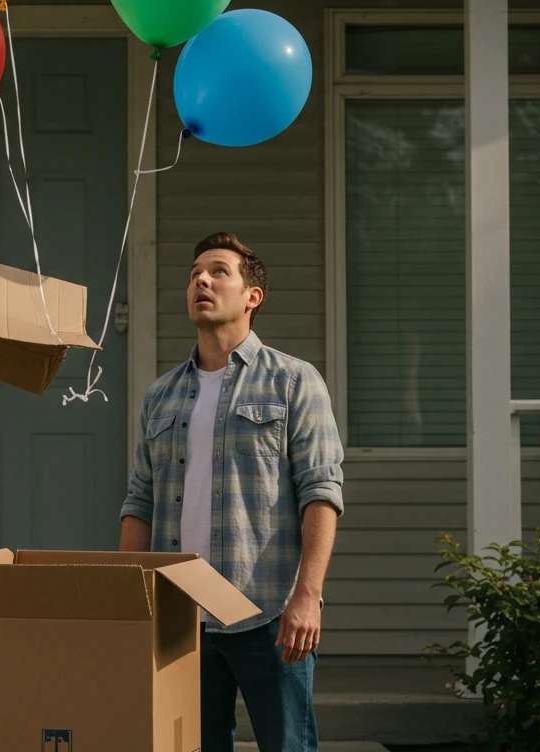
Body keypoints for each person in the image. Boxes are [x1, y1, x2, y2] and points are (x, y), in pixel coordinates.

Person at [119, 231, 344, 752]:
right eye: (195, 272)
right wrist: (127, 605)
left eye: (219, 271)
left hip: (269, 613)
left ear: (252, 297)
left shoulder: (294, 382)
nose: (201, 278)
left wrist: (308, 597)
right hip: (179, 619)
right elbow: (139, 502)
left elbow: (321, 491)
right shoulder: (162, 395)